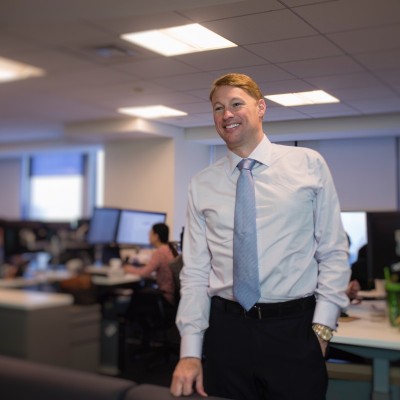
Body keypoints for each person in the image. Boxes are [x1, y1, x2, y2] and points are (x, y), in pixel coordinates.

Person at [170, 73, 351, 400]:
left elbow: (333, 251)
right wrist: (190, 352)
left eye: (236, 104)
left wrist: (323, 329)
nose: (227, 114)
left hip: (293, 330)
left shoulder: (307, 164)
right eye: (218, 108)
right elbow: (195, 272)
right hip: (226, 333)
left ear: (261, 107)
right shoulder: (202, 184)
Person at [124, 222, 178, 306]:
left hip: (165, 297)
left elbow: (144, 273)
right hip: (172, 296)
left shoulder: (160, 252)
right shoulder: (169, 249)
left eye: (150, 233)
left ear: (156, 236)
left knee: (136, 294)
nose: (148, 236)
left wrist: (127, 269)